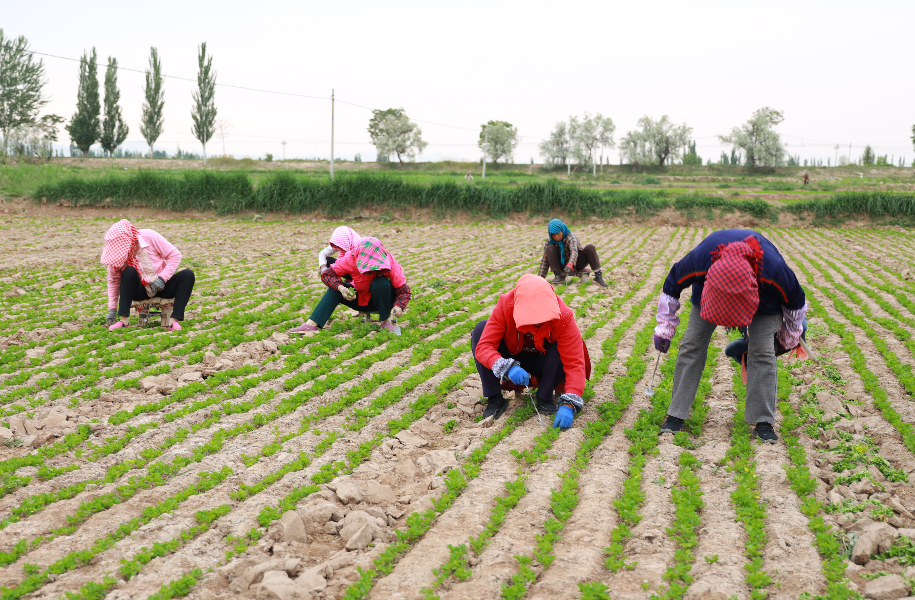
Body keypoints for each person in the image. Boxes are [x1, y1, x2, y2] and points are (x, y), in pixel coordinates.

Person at [653, 229, 807, 443]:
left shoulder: (774, 271)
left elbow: (796, 303)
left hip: (764, 301)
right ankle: (676, 413)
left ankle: (763, 421)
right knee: (692, 343)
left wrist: (788, 338)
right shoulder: (700, 260)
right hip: (711, 296)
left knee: (762, 351)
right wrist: (665, 328)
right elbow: (672, 286)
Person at [471, 274, 589, 428]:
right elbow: (484, 347)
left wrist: (569, 405)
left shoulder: (563, 315)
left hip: (544, 361)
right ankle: (495, 398)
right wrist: (506, 366)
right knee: (480, 329)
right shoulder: (507, 304)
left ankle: (544, 396)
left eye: (543, 322)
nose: (539, 325)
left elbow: (574, 362)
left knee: (562, 348)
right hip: (513, 355)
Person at [290, 237, 410, 335]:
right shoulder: (351, 258)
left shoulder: (389, 260)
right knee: (335, 290)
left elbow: (403, 290)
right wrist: (340, 287)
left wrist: (399, 306)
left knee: (380, 282)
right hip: (361, 299)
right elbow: (327, 275)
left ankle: (385, 321)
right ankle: (312, 324)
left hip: (385, 301)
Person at [101, 219, 195, 332]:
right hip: (139, 291)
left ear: (132, 241)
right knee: (128, 271)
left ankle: (173, 321)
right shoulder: (117, 255)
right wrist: (112, 309)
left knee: (187, 275)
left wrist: (162, 278)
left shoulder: (150, 236)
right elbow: (113, 281)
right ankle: (123, 320)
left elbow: (175, 255)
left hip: (162, 286)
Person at [538, 219, 608, 288]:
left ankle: (598, 277)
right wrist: (539, 279)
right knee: (550, 248)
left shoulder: (570, 236)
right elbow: (545, 260)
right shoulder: (549, 240)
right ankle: (558, 275)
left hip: (577, 262)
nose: (556, 237)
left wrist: (570, 263)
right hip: (561, 265)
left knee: (590, 247)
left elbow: (574, 251)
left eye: (558, 234)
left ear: (562, 231)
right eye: (553, 235)